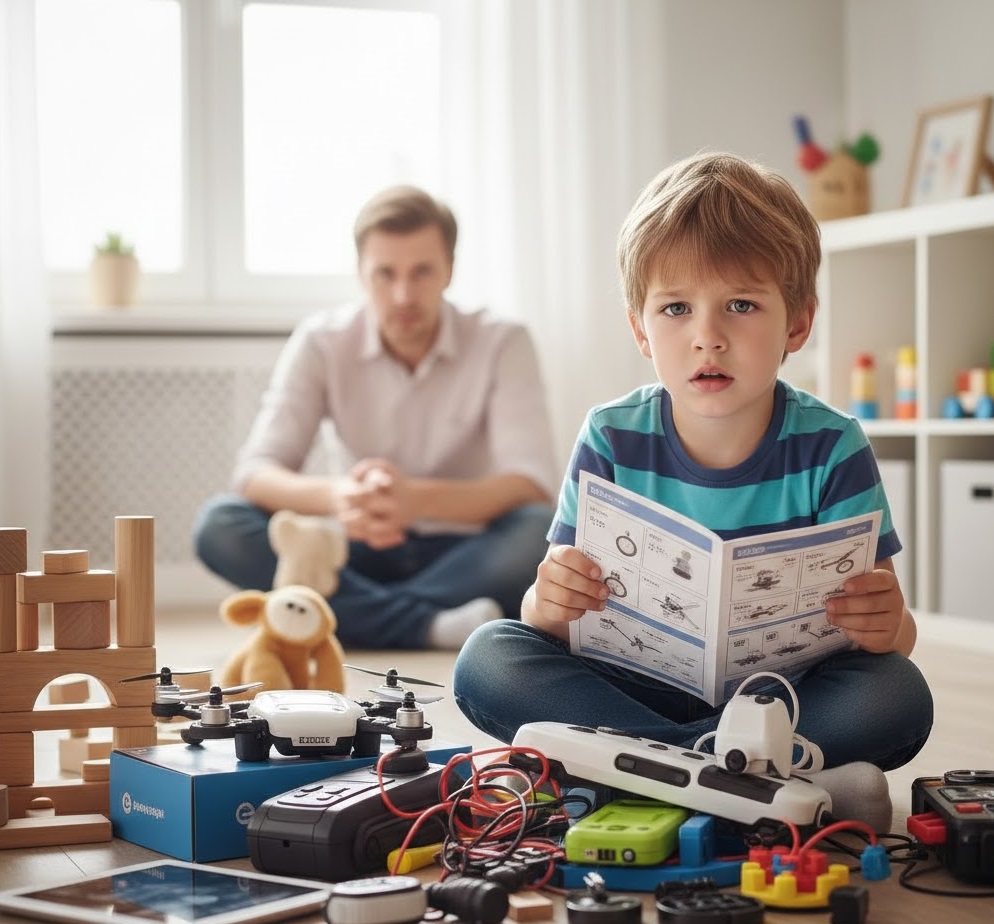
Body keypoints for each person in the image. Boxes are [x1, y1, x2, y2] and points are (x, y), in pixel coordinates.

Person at [453, 153, 933, 826]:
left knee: (896, 695)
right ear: (640, 329)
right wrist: (548, 601)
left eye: (741, 305)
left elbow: (892, 639)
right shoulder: (610, 435)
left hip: (780, 705)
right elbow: (547, 615)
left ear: (797, 323)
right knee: (487, 658)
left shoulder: (834, 446)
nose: (707, 336)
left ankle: (632, 775)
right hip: (632, 690)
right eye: (675, 308)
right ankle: (756, 786)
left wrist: (890, 624)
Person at [194, 185, 559, 650]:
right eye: (385, 274)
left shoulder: (503, 341)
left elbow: (531, 483)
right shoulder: (320, 341)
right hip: (349, 548)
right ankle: (427, 625)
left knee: (537, 532)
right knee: (221, 524)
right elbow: (255, 473)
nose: (404, 294)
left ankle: (335, 615)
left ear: (449, 268)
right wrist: (340, 496)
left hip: (461, 549)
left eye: (422, 272)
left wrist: (416, 500)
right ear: (361, 274)